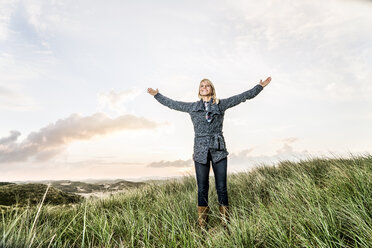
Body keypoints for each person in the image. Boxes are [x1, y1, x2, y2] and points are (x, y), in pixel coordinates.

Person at [147, 77, 271, 230]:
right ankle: (202, 227)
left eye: (207, 85)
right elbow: (173, 104)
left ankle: (226, 225)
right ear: (199, 90)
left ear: (212, 89)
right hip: (200, 150)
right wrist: (157, 95)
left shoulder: (221, 104)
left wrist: (259, 86)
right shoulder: (192, 107)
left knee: (221, 187)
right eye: (201, 86)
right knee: (202, 188)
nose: (204, 87)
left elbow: (242, 97)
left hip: (218, 149)